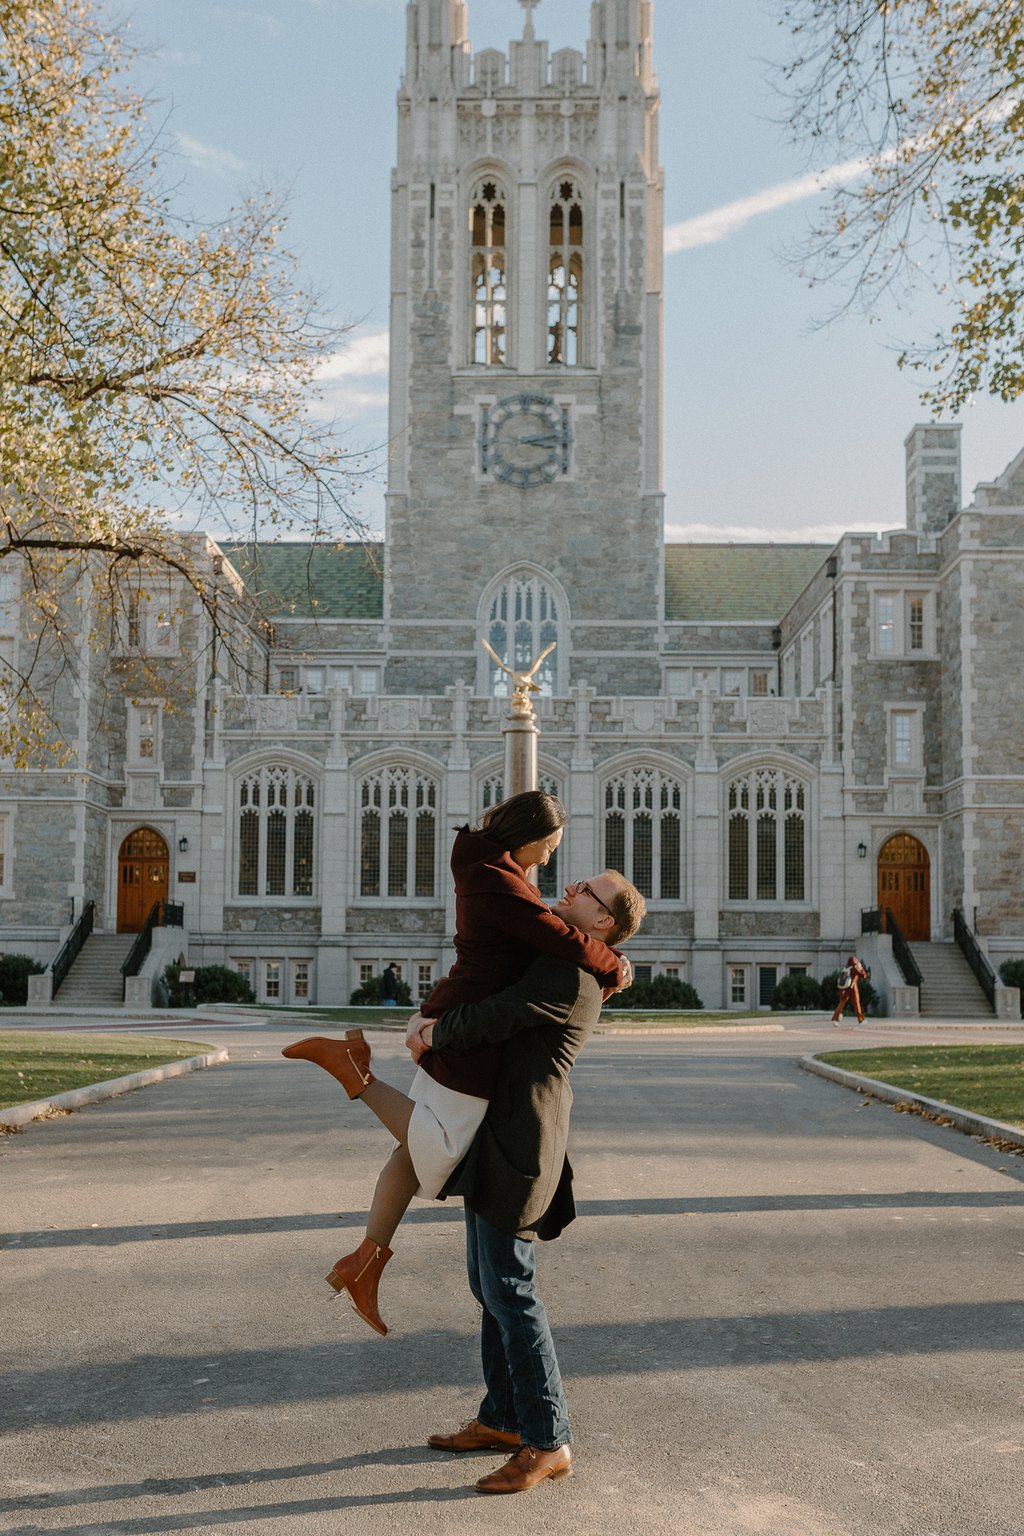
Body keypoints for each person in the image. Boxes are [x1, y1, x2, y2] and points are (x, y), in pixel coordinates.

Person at [280, 791, 626, 1336]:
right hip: (469, 1042)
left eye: (584, 887)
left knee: (411, 1151)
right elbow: (555, 935)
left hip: (456, 1018)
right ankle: (355, 1072)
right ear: (533, 836)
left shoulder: (491, 869)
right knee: (436, 1152)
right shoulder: (502, 883)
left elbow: (544, 938)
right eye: (553, 847)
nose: (559, 868)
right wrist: (617, 964)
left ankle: (366, 1262)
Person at [409, 869, 646, 1496]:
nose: (568, 889)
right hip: (497, 1136)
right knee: (487, 1286)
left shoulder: (567, 977)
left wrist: (434, 1032)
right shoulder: (567, 958)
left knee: (511, 1290)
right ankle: (503, 1419)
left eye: (586, 892)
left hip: (521, 1146)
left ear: (603, 923)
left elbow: (497, 1014)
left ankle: (549, 1439)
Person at [832, 953, 868, 1024]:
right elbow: (864, 976)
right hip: (852, 989)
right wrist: (861, 968)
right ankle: (861, 1020)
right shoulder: (854, 969)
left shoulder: (845, 968)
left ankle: (835, 1019)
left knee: (841, 1005)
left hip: (844, 989)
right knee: (857, 1005)